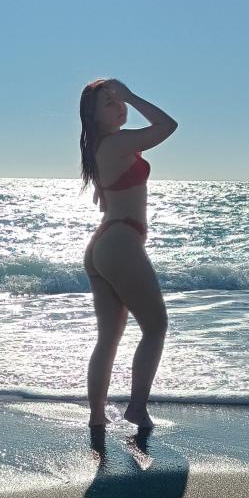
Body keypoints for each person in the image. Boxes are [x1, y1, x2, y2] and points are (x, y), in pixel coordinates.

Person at [80, 78, 177, 431]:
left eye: (119, 100)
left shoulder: (102, 147)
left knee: (109, 337)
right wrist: (133, 96)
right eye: (110, 102)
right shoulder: (117, 143)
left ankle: (96, 417)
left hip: (103, 244)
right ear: (93, 116)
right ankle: (136, 409)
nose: (119, 105)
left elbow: (110, 191)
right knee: (156, 326)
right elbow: (167, 126)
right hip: (120, 242)